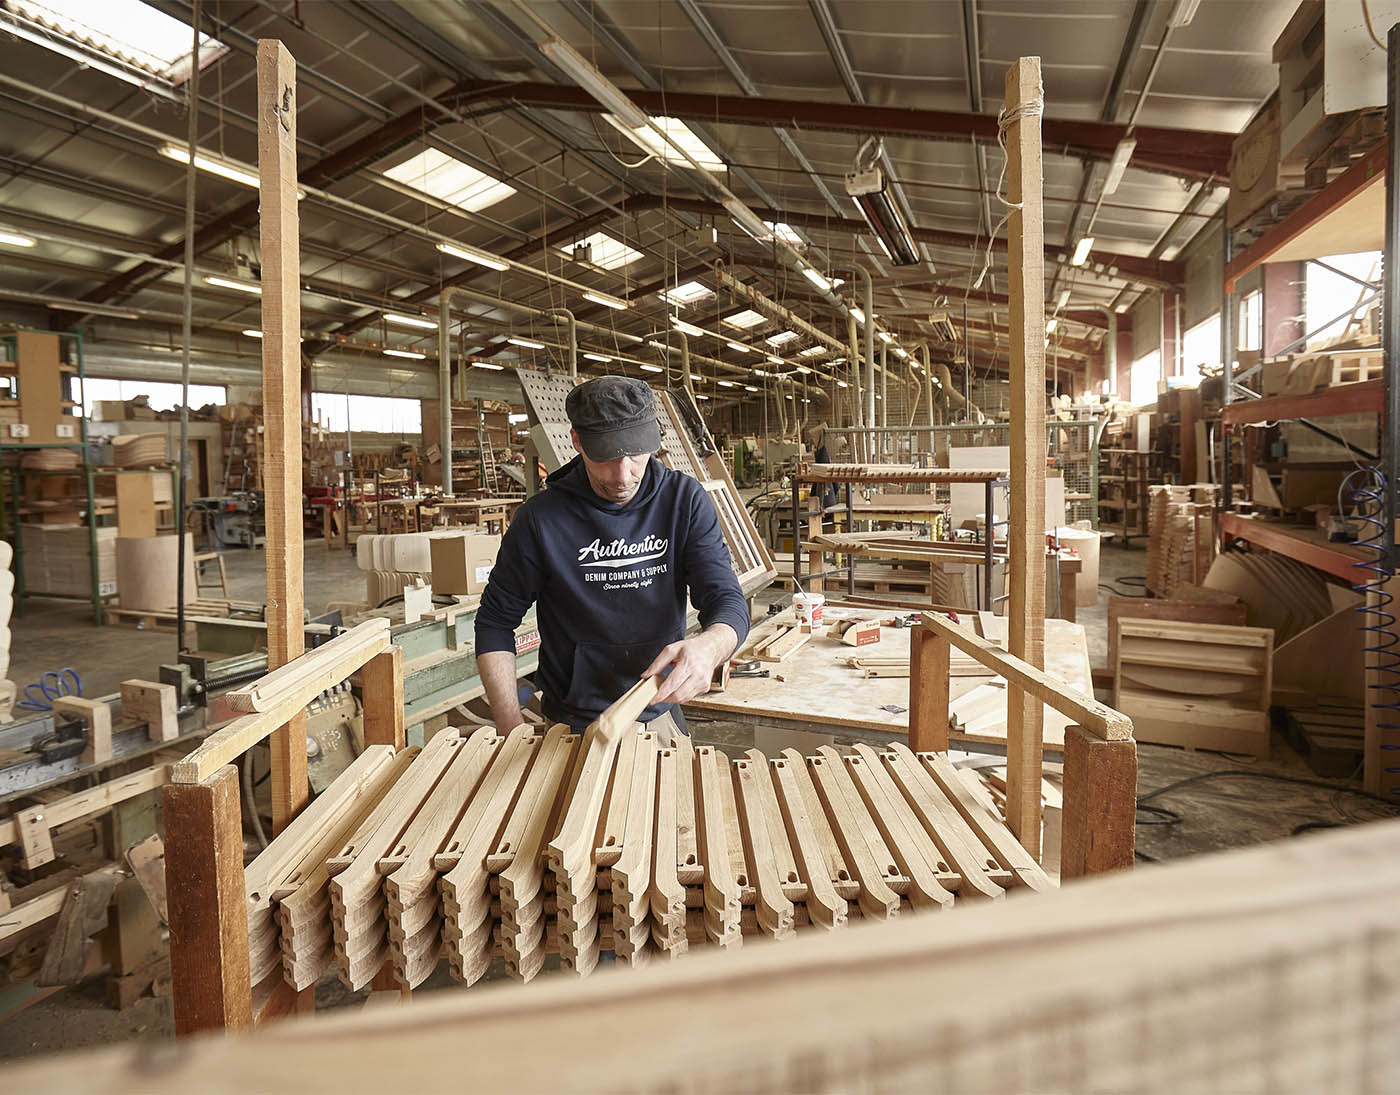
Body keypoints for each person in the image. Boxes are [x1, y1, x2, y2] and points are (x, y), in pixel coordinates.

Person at [474, 376, 750, 741]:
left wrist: (710, 647)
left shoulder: (683, 501)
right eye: (605, 456)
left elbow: (726, 600)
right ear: (577, 441)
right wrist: (511, 727)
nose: (622, 475)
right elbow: (495, 623)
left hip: (658, 717)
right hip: (571, 726)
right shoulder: (541, 520)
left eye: (636, 454)